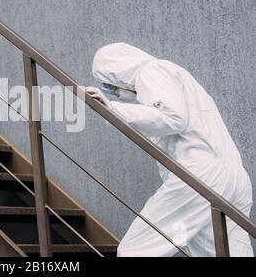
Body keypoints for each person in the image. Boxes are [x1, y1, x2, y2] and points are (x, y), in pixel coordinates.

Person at [86, 42, 253, 257]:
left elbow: (173, 118)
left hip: (200, 174)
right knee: (226, 251)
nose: (114, 92)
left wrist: (113, 108)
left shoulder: (150, 71)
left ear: (116, 70)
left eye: (109, 84)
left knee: (135, 250)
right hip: (233, 176)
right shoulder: (176, 76)